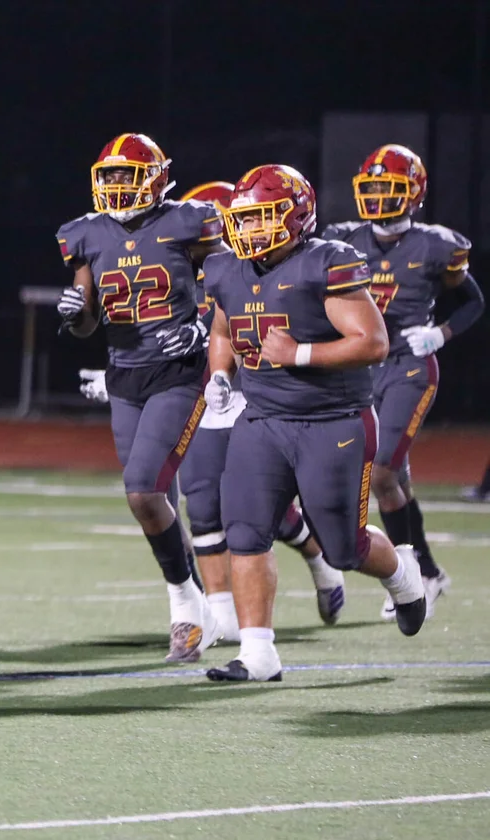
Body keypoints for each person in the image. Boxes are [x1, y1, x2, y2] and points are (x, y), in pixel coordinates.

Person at [204, 164, 427, 682]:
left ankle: (404, 576)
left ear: (296, 216)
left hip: (333, 421)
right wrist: (219, 374)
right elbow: (223, 329)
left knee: (344, 548)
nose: (251, 229)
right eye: (245, 218)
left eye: (263, 217)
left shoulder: (325, 262)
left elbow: (373, 342)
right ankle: (258, 655)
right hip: (262, 420)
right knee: (245, 530)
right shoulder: (226, 270)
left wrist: (299, 353)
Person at [55, 134, 224, 662]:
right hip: (125, 377)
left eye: (124, 175)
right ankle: (197, 606)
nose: (115, 185)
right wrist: (75, 314)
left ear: (153, 178)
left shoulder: (190, 222)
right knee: (155, 498)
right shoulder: (85, 233)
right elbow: (88, 323)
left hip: (180, 372)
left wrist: (202, 328)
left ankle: (186, 605)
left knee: (143, 492)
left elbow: (233, 286)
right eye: (107, 176)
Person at [174, 181, 345, 632]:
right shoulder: (182, 265)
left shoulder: (263, 268)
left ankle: (322, 561)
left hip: (256, 392)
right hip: (202, 392)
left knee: (263, 509)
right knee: (202, 500)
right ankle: (222, 616)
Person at [320, 145, 481, 622]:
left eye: (386, 188)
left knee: (383, 472)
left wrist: (440, 333)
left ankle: (409, 576)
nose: (376, 197)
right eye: (369, 187)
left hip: (410, 365)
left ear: (413, 193)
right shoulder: (343, 240)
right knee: (397, 482)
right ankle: (427, 572)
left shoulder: (435, 245)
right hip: (361, 368)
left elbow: (473, 302)